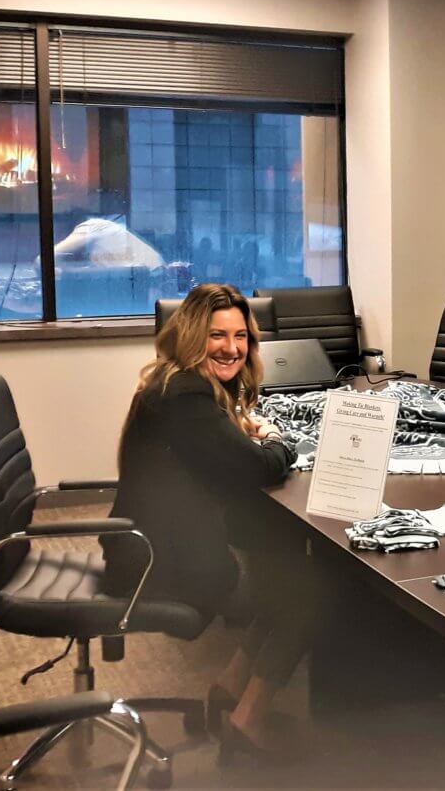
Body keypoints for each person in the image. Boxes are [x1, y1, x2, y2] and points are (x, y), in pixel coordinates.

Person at [103, 283, 312, 759]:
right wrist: (277, 438)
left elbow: (214, 450)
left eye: (241, 336)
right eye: (218, 335)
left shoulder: (175, 383)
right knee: (306, 591)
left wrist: (243, 428)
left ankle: (229, 691)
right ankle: (245, 725)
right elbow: (259, 467)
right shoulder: (186, 395)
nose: (232, 348)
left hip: (152, 542)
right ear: (193, 334)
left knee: (281, 565)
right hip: (162, 561)